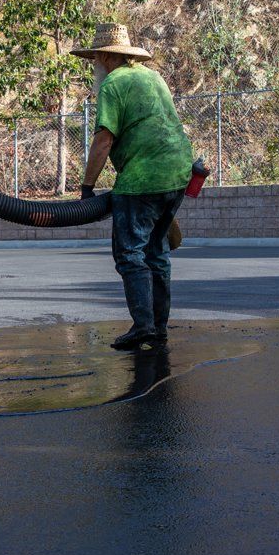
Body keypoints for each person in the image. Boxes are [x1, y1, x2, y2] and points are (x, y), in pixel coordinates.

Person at [73, 22, 194, 350]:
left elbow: (104, 139)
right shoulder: (154, 78)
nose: (94, 66)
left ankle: (143, 326)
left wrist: (87, 187)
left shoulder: (113, 84)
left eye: (94, 59)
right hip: (178, 172)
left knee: (130, 254)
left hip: (143, 179)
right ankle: (158, 327)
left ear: (104, 57)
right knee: (157, 252)